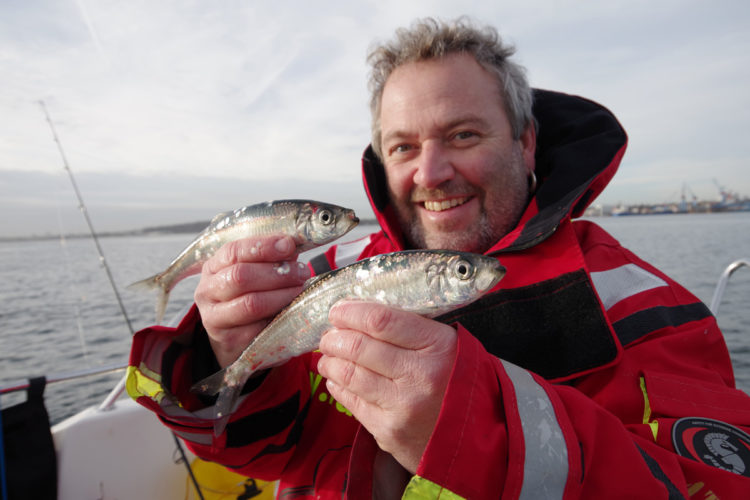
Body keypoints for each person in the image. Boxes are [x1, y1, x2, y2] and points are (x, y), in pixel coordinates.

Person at [128, 17, 750, 499]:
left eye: (463, 135)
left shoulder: (641, 297)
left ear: (526, 142)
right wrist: (223, 358)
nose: (431, 172)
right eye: (403, 146)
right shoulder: (314, 282)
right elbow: (262, 449)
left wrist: (476, 428)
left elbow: (711, 482)